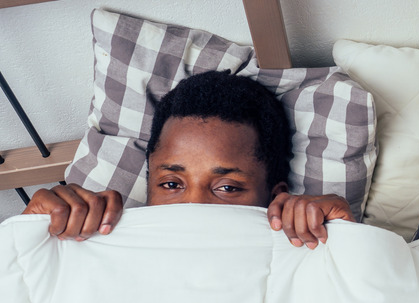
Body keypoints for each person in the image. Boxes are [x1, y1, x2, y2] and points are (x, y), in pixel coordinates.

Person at [22, 70, 354, 249]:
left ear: (277, 196)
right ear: (149, 185)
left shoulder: (305, 253)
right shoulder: (90, 245)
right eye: (170, 184)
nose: (193, 205)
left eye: (227, 187)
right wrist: (25, 238)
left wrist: (347, 243)